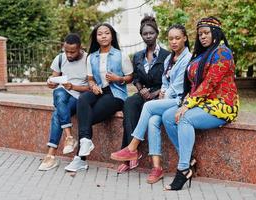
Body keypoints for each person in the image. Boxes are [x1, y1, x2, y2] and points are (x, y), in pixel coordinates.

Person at [162, 17, 239, 190]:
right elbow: (194, 84)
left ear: (216, 33)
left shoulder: (222, 53)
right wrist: (186, 102)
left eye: (206, 33)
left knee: (184, 119)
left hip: (222, 105)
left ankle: (183, 169)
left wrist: (187, 105)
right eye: (200, 34)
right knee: (167, 117)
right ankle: (188, 159)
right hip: (201, 102)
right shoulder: (202, 54)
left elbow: (210, 83)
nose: (202, 37)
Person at [111, 24, 192, 184]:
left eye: (177, 38)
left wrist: (162, 95)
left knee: (148, 106)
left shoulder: (187, 58)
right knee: (152, 120)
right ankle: (157, 168)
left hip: (180, 101)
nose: (174, 41)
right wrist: (162, 91)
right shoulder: (170, 58)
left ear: (185, 38)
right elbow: (165, 81)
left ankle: (132, 147)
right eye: (171, 39)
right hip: (168, 98)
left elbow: (177, 87)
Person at [64, 23, 134, 172]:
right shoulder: (92, 57)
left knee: (86, 117)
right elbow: (90, 79)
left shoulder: (121, 55)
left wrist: (117, 78)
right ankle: (85, 141)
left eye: (106, 33)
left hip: (115, 94)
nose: (103, 36)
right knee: (83, 100)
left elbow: (130, 78)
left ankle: (80, 159)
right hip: (99, 91)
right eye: (100, 34)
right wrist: (93, 85)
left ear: (112, 36)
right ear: (96, 37)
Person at [117, 16, 170, 174]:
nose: (148, 36)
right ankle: (132, 153)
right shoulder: (138, 56)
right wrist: (141, 90)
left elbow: (168, 80)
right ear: (141, 35)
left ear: (157, 33)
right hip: (144, 92)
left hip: (160, 93)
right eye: (145, 34)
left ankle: (128, 156)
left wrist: (154, 93)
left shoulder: (166, 55)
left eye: (151, 33)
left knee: (138, 111)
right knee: (129, 104)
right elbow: (136, 78)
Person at [38, 33, 89, 171]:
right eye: (66, 51)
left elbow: (91, 86)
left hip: (78, 97)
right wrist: (51, 82)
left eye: (72, 52)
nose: (69, 55)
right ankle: (69, 137)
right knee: (58, 92)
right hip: (62, 95)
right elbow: (55, 79)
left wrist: (73, 87)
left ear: (80, 49)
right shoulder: (60, 58)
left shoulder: (88, 60)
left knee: (57, 114)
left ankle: (51, 156)